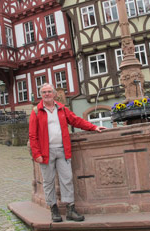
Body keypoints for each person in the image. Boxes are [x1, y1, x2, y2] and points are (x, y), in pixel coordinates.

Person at [29, 83, 106, 223]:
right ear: (41, 95)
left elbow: (76, 121)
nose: (46, 94)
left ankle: (70, 209)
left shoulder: (62, 109)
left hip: (63, 150)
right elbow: (32, 135)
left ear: (54, 94)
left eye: (49, 92)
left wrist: (93, 127)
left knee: (67, 179)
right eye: (44, 92)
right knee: (48, 182)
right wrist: (37, 154)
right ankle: (54, 209)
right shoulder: (36, 111)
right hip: (46, 153)